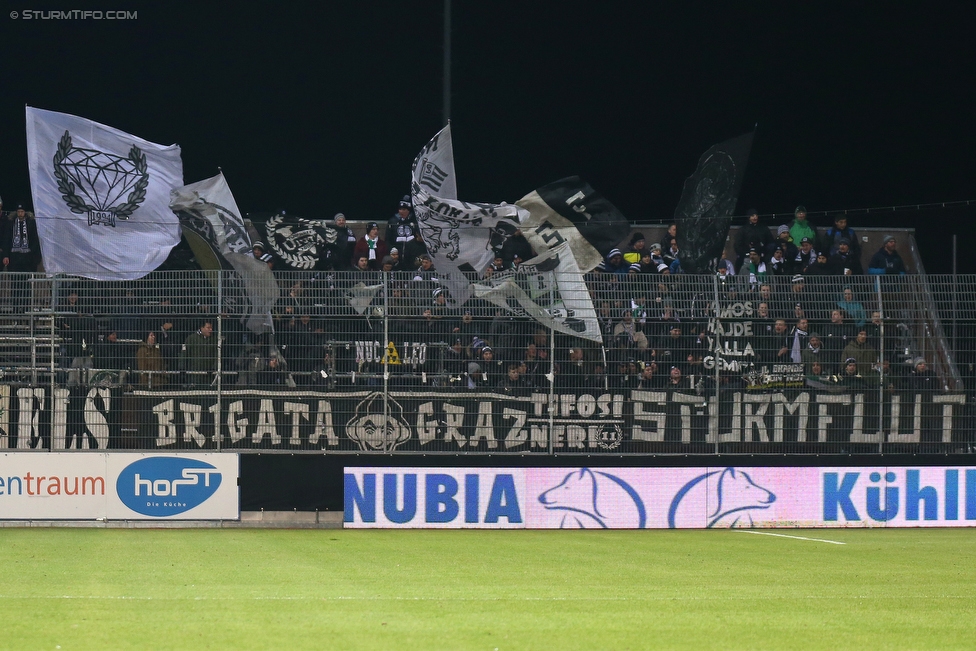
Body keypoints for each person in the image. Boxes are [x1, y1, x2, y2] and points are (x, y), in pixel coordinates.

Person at [1, 205, 42, 312]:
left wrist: (33, 256)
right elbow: (6, 240)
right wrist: (6, 255)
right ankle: (15, 308)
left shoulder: (31, 223)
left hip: (27, 259)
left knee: (26, 285)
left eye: (22, 211)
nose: (20, 214)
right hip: (14, 259)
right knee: (15, 284)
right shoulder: (11, 223)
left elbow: (35, 241)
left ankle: (25, 308)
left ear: (25, 212)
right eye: (18, 211)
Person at [180, 321, 218, 386]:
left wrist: (215, 368)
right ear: (201, 328)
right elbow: (184, 354)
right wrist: (182, 367)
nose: (210, 330)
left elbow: (217, 355)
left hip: (209, 375)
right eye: (208, 328)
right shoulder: (191, 339)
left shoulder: (214, 339)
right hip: (194, 374)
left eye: (211, 328)